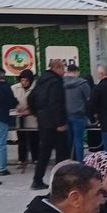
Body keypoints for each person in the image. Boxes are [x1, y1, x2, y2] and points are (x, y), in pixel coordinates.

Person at [29, 59, 69, 190]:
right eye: (63, 68)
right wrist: (60, 123)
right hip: (55, 123)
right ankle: (60, 181)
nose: (64, 71)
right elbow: (56, 103)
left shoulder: (41, 81)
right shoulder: (55, 82)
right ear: (56, 68)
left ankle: (37, 179)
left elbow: (31, 98)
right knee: (62, 152)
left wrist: (37, 113)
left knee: (44, 152)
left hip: (43, 121)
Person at [63, 64, 91, 162]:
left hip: (65, 115)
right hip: (79, 115)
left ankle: (67, 161)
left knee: (68, 141)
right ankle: (79, 162)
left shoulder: (61, 83)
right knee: (79, 140)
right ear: (77, 72)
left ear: (67, 71)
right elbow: (89, 99)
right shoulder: (83, 83)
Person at [12, 69, 39, 167]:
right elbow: (12, 100)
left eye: (26, 81)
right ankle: (22, 159)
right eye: (22, 80)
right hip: (19, 116)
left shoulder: (36, 88)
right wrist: (18, 107)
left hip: (32, 117)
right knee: (21, 139)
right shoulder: (14, 88)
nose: (24, 83)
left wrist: (29, 109)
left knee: (34, 138)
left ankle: (36, 158)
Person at [0, 69, 16, 177]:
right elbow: (12, 102)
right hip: (1, 118)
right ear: (2, 76)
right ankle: (2, 169)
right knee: (1, 144)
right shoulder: (5, 87)